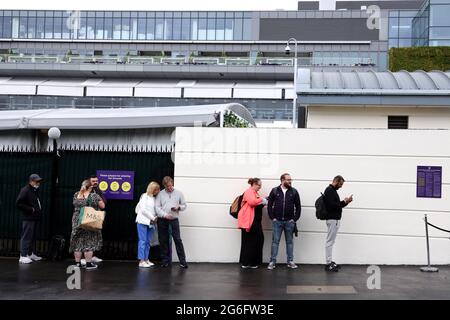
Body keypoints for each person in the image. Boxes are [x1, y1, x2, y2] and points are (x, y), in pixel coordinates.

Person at [267, 173, 301, 270]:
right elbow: (269, 205)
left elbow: (298, 207)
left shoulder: (294, 192)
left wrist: (294, 219)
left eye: (291, 180)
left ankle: (290, 261)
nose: (290, 181)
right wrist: (272, 217)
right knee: (275, 242)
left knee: (289, 242)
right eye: (288, 179)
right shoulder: (274, 191)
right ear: (282, 180)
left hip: (289, 222)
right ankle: (272, 261)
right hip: (277, 221)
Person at [70, 179, 105, 270]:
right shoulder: (94, 196)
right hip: (89, 220)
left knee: (77, 242)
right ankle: (88, 264)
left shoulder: (76, 195)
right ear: (90, 187)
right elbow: (103, 206)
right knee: (89, 242)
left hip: (77, 220)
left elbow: (75, 205)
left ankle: (77, 264)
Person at [155, 176, 188, 269]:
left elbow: (185, 205)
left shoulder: (179, 193)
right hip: (163, 220)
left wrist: (179, 207)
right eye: (168, 186)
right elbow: (157, 207)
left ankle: (183, 262)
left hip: (174, 220)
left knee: (177, 240)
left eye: (171, 185)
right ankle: (165, 261)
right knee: (163, 240)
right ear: (164, 186)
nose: (170, 188)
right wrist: (165, 215)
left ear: (172, 183)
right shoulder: (160, 194)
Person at [323, 175, 353, 272]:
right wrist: (343, 201)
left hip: (334, 220)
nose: (341, 186)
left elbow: (337, 205)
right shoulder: (329, 190)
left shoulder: (332, 191)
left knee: (331, 241)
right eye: (340, 184)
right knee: (330, 242)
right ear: (335, 181)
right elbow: (331, 206)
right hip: (332, 220)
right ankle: (328, 263)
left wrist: (346, 202)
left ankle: (329, 261)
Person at [238, 178, 267, 269]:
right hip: (249, 221)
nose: (260, 187)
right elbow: (252, 202)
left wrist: (263, 201)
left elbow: (256, 204)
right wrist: (262, 199)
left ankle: (249, 262)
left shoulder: (255, 193)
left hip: (253, 220)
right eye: (259, 185)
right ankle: (248, 262)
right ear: (254, 184)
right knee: (252, 240)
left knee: (252, 240)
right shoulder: (249, 192)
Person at [16, 174, 44, 264]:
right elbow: (19, 203)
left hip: (34, 217)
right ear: (31, 181)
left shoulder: (34, 190)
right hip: (28, 217)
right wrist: (31, 209)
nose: (38, 183)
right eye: (36, 181)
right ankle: (23, 256)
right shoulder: (25, 190)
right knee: (27, 236)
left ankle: (30, 253)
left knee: (33, 236)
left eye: (39, 181)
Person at [135, 181, 160, 268]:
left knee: (148, 242)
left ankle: (146, 259)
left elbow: (155, 210)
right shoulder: (144, 196)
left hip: (151, 222)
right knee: (142, 241)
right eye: (157, 189)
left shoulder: (154, 198)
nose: (158, 191)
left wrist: (155, 217)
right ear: (153, 189)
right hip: (142, 221)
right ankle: (141, 261)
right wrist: (153, 218)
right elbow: (143, 209)